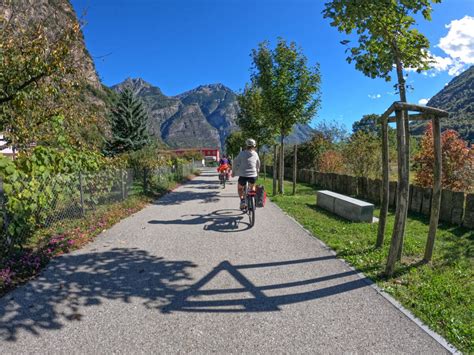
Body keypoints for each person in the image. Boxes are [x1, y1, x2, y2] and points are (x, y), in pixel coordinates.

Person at [232, 138, 260, 210]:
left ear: (246, 145)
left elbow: (235, 162)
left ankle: (242, 201)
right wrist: (257, 172)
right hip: (253, 175)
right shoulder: (256, 154)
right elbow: (258, 164)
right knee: (252, 186)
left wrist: (233, 172)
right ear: (254, 146)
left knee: (240, 188)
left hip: (243, 176)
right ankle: (252, 198)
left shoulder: (241, 153)